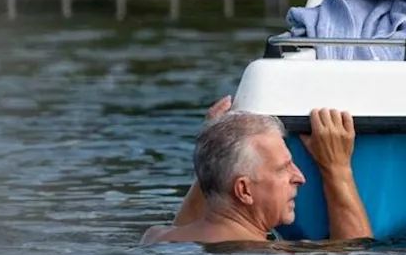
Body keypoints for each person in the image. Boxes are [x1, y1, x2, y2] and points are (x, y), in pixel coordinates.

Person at [141, 96, 373, 245]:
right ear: (244, 190)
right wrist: (337, 169)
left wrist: (216, 141)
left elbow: (186, 230)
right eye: (284, 168)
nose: (300, 177)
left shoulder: (155, 239)